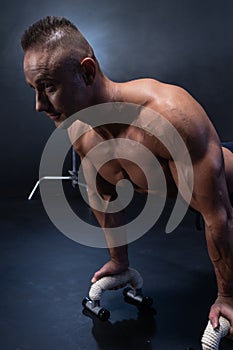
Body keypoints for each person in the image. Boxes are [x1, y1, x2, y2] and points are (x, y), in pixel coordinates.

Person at [21, 16, 233, 335]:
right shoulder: (81, 133)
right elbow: (104, 197)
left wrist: (227, 297)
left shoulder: (168, 116)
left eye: (48, 86)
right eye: (34, 90)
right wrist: (119, 261)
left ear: (87, 71)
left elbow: (220, 215)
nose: (39, 105)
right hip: (205, 201)